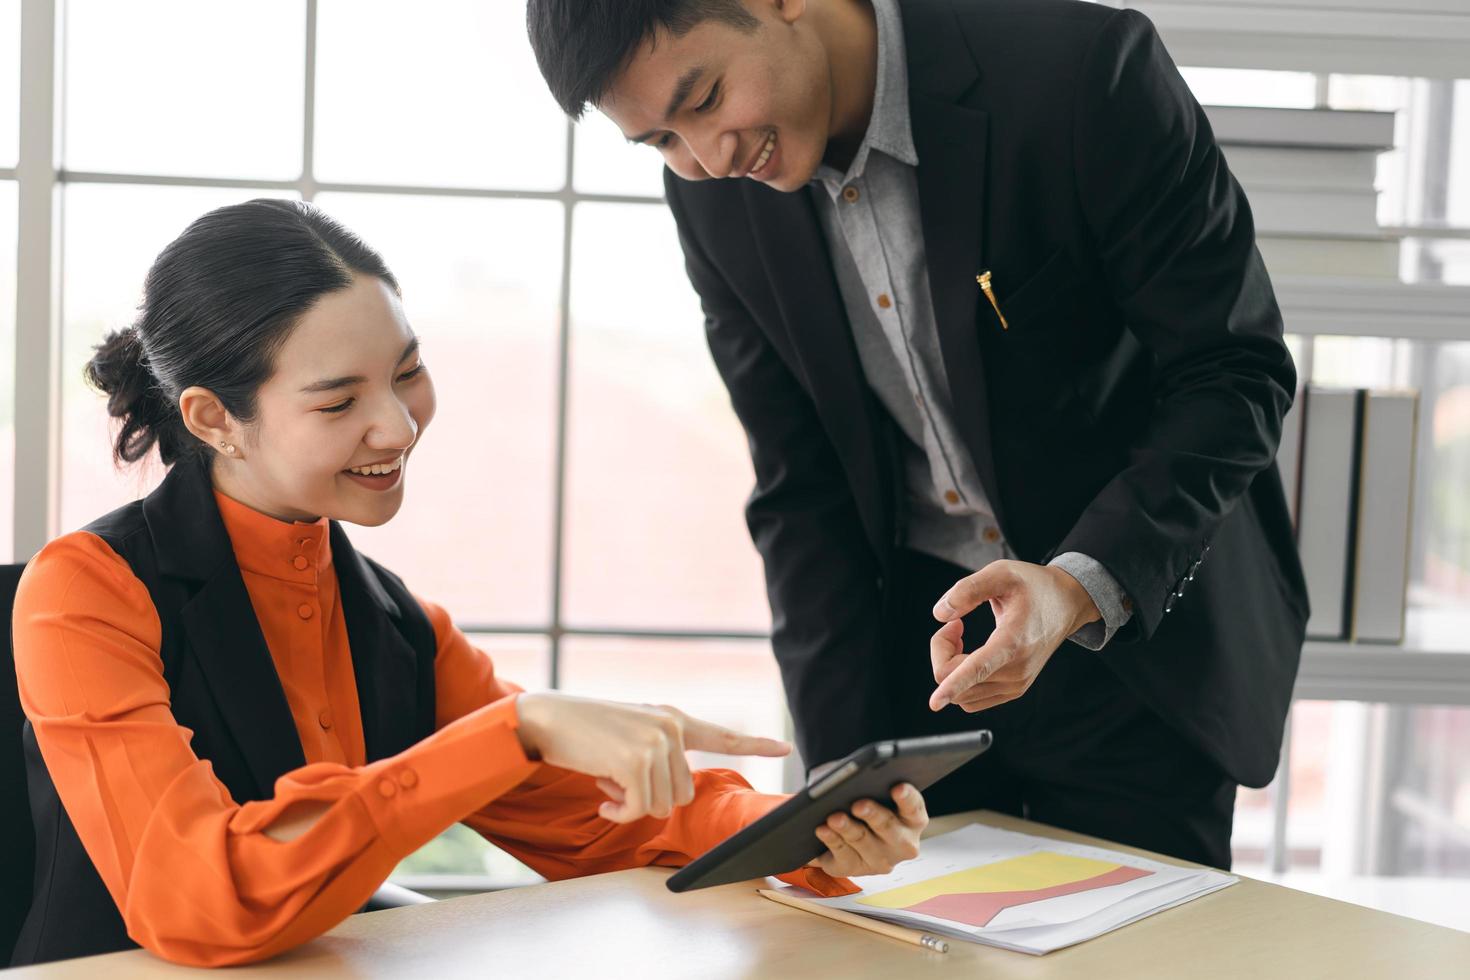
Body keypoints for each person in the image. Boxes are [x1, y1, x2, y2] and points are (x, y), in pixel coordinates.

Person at [9, 199, 929, 968]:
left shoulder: (394, 620)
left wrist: (797, 825)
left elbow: (602, 822)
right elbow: (200, 898)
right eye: (338, 402)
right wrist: (512, 731)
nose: (398, 427)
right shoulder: (82, 593)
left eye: (409, 373)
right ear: (215, 419)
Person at [525, 0, 1310, 869]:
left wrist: (1076, 586)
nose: (708, 159)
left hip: (1128, 646)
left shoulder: (1080, 73)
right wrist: (838, 767)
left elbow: (1233, 371)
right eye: (661, 141)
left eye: (705, 98)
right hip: (917, 676)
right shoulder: (714, 199)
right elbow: (800, 485)